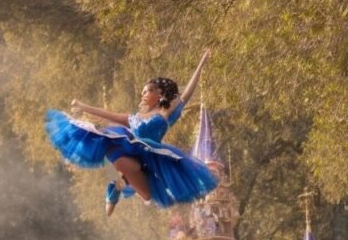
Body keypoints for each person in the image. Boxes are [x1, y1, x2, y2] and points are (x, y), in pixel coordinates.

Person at [45, 50, 218, 216]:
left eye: (147, 90)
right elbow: (107, 114)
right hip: (127, 152)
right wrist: (82, 106)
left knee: (148, 196)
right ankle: (116, 183)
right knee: (114, 149)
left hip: (150, 159)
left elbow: (187, 93)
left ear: (159, 94)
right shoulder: (133, 118)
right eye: (142, 91)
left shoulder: (166, 114)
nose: (143, 94)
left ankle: (119, 185)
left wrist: (201, 63)